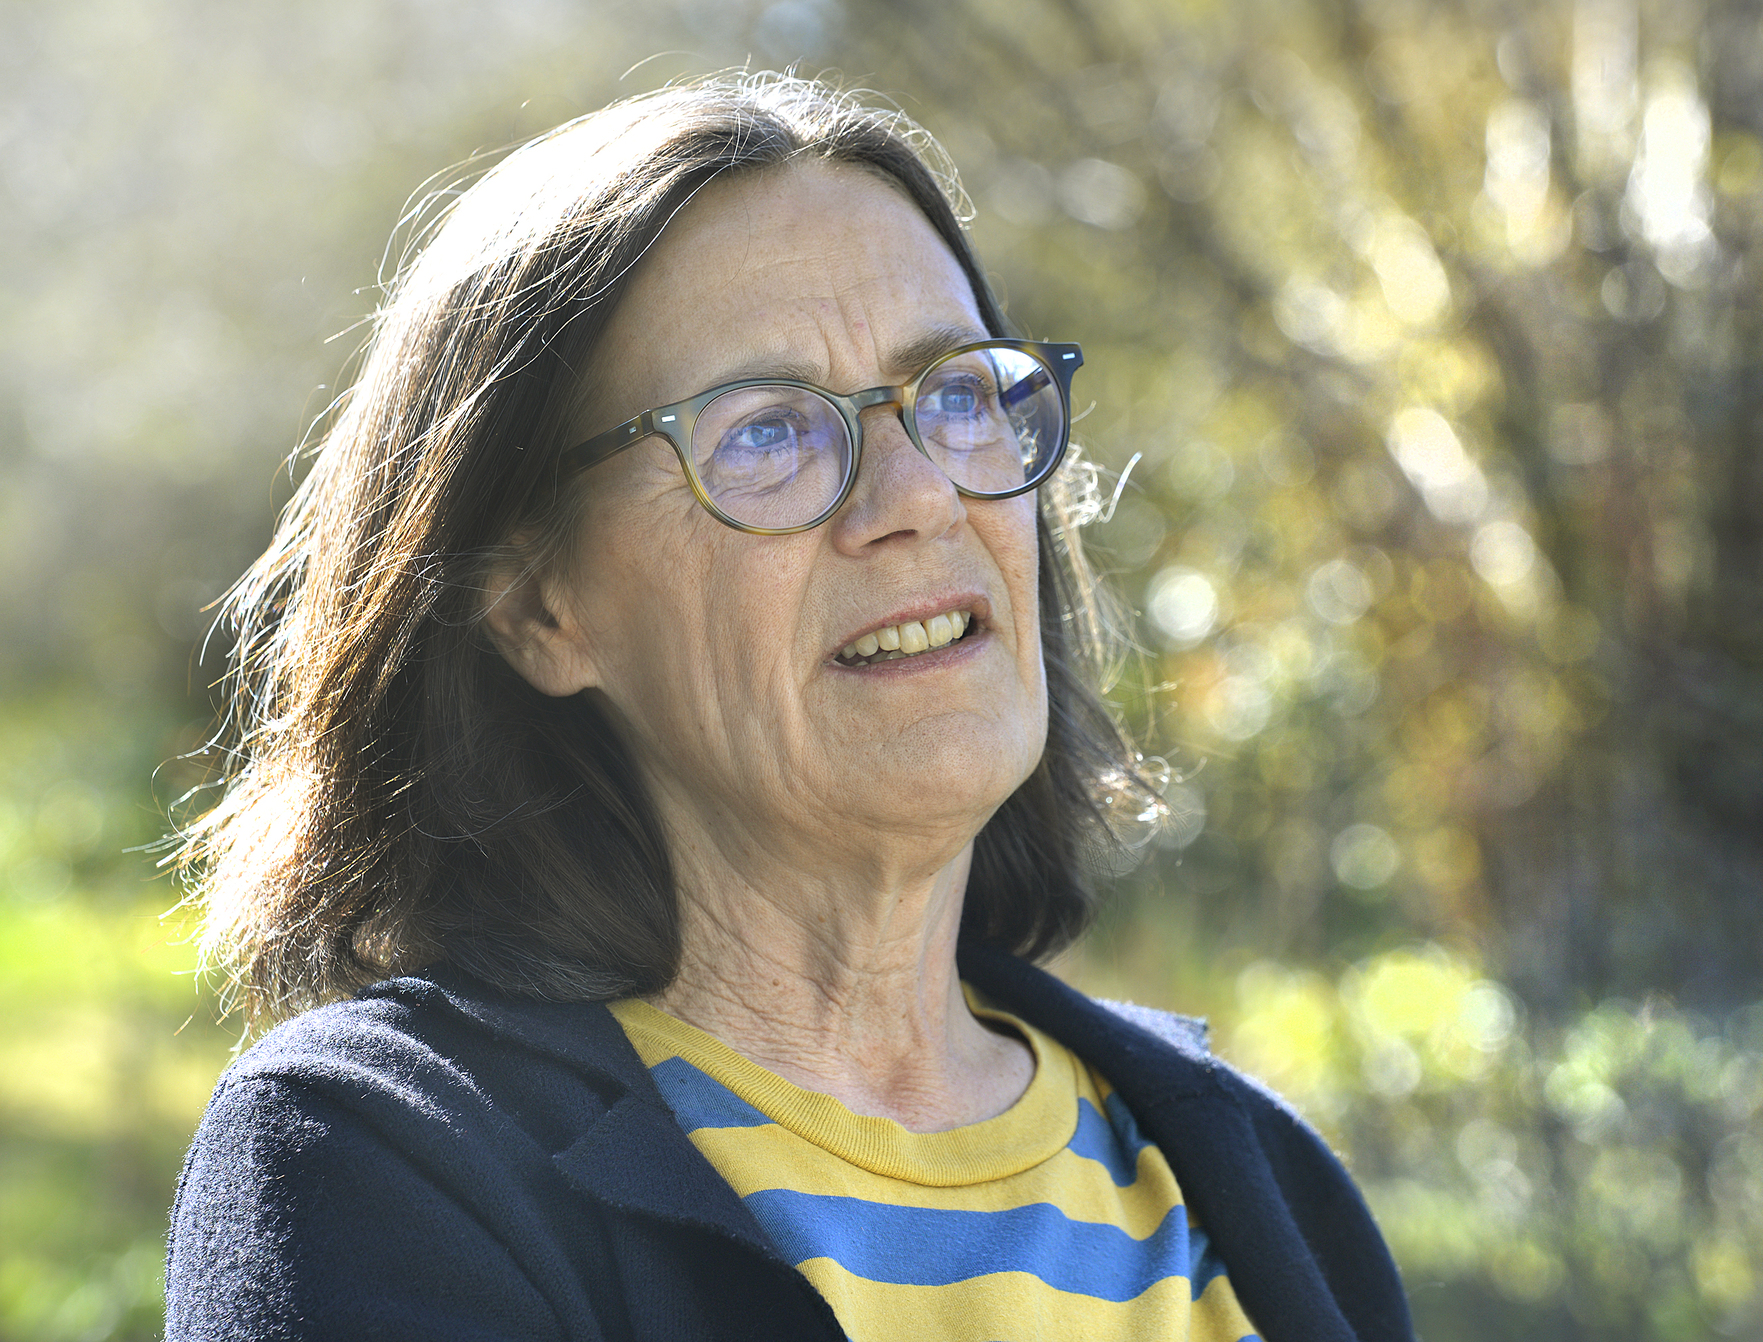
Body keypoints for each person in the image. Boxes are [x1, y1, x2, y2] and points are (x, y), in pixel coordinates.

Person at [165, 72, 1414, 1342]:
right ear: (540, 607)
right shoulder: (384, 1163)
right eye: (766, 432)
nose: (918, 496)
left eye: (958, 395)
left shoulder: (1256, 1178)